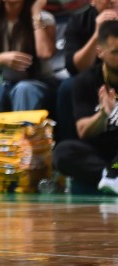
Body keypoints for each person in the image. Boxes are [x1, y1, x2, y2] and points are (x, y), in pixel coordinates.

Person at [53, 20, 118, 195]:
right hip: (99, 153)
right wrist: (103, 115)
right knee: (62, 152)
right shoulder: (86, 81)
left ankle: (112, 176)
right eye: (116, 53)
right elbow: (83, 131)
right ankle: (109, 175)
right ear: (100, 51)